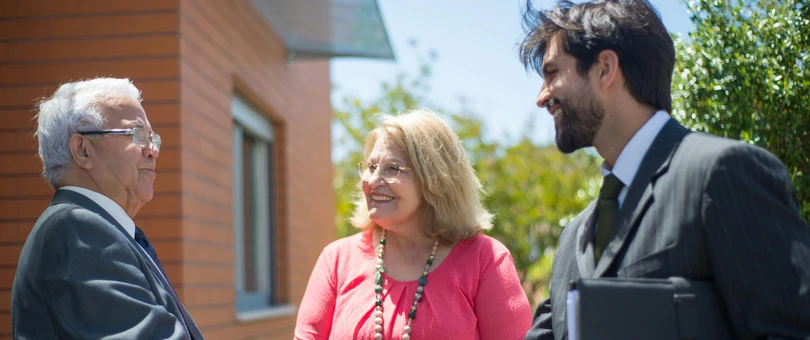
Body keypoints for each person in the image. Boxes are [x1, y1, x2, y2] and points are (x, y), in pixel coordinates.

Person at [518, 0, 810, 339]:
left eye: (552, 73)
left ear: (604, 69)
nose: (541, 97)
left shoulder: (723, 174)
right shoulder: (573, 237)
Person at [295, 109, 532, 339]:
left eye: (392, 168)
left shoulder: (485, 260)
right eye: (371, 167)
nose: (372, 180)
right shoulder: (337, 259)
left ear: (434, 180)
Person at [12, 78, 204, 339]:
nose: (153, 151)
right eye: (136, 134)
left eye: (152, 138)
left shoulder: (93, 228)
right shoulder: (76, 230)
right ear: (83, 151)